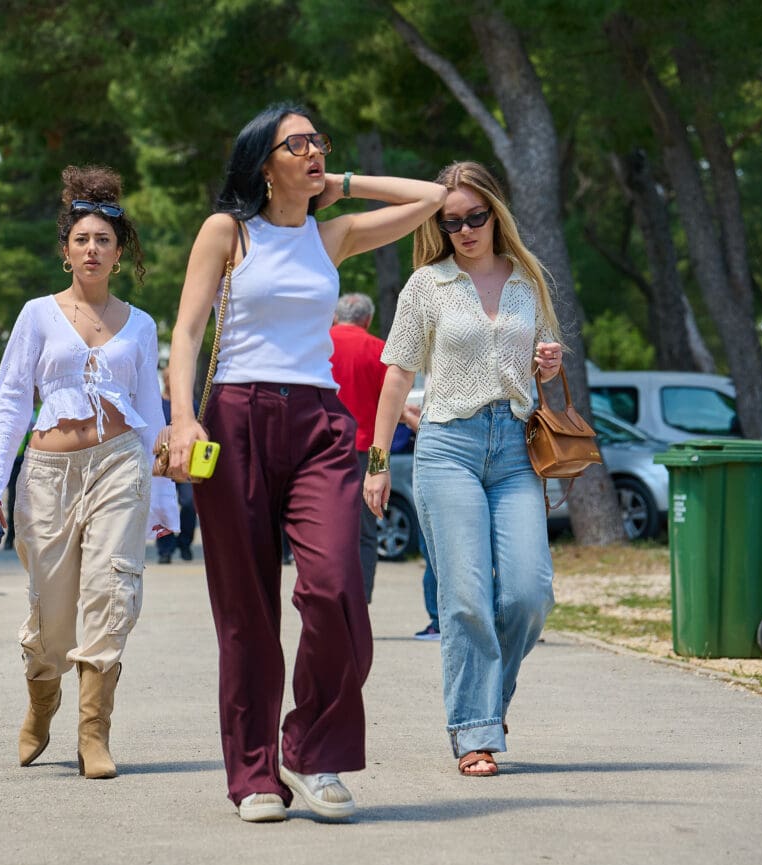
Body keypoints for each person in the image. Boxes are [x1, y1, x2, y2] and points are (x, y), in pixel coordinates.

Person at [165, 103, 446, 822]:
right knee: (247, 611)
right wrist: (183, 416)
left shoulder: (332, 235)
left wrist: (340, 182)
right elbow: (188, 331)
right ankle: (254, 775)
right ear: (264, 162)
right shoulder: (227, 232)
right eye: (299, 144)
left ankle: (314, 750)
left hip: (320, 421)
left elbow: (434, 199)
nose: (315, 150)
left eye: (319, 141)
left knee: (336, 588)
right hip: (236, 417)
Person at [0, 165, 178, 780]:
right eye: (81, 240)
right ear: (65, 250)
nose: (92, 249)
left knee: (112, 592)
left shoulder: (141, 324)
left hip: (119, 465)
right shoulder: (37, 314)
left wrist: (163, 497)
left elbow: (151, 412)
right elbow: (12, 400)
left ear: (120, 252)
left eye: (103, 241)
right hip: (47, 475)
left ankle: (95, 734)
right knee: (52, 614)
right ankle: (42, 700)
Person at [363, 160, 564, 778]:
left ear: (496, 214)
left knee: (530, 592)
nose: (466, 230)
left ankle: (486, 704)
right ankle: (475, 730)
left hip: (515, 450)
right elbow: (397, 376)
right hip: (448, 446)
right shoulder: (427, 285)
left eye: (476, 217)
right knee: (466, 597)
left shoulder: (528, 280)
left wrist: (548, 363)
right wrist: (377, 463)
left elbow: (539, 359)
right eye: (451, 222)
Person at [328, 292, 386, 603]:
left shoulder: (319, 343)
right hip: (368, 452)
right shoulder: (379, 350)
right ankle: (360, 602)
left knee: (325, 527)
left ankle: (329, 596)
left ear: (335, 317)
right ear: (368, 320)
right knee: (365, 530)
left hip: (322, 450)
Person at [398, 402, 440, 641]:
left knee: (435, 555)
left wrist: (409, 418)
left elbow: (435, 434)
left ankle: (439, 621)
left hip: (434, 483)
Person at [156, 367, 197, 564]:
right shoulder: (157, 403)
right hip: (162, 463)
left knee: (189, 503)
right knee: (163, 506)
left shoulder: (190, 405)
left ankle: (185, 543)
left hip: (185, 461)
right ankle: (165, 549)